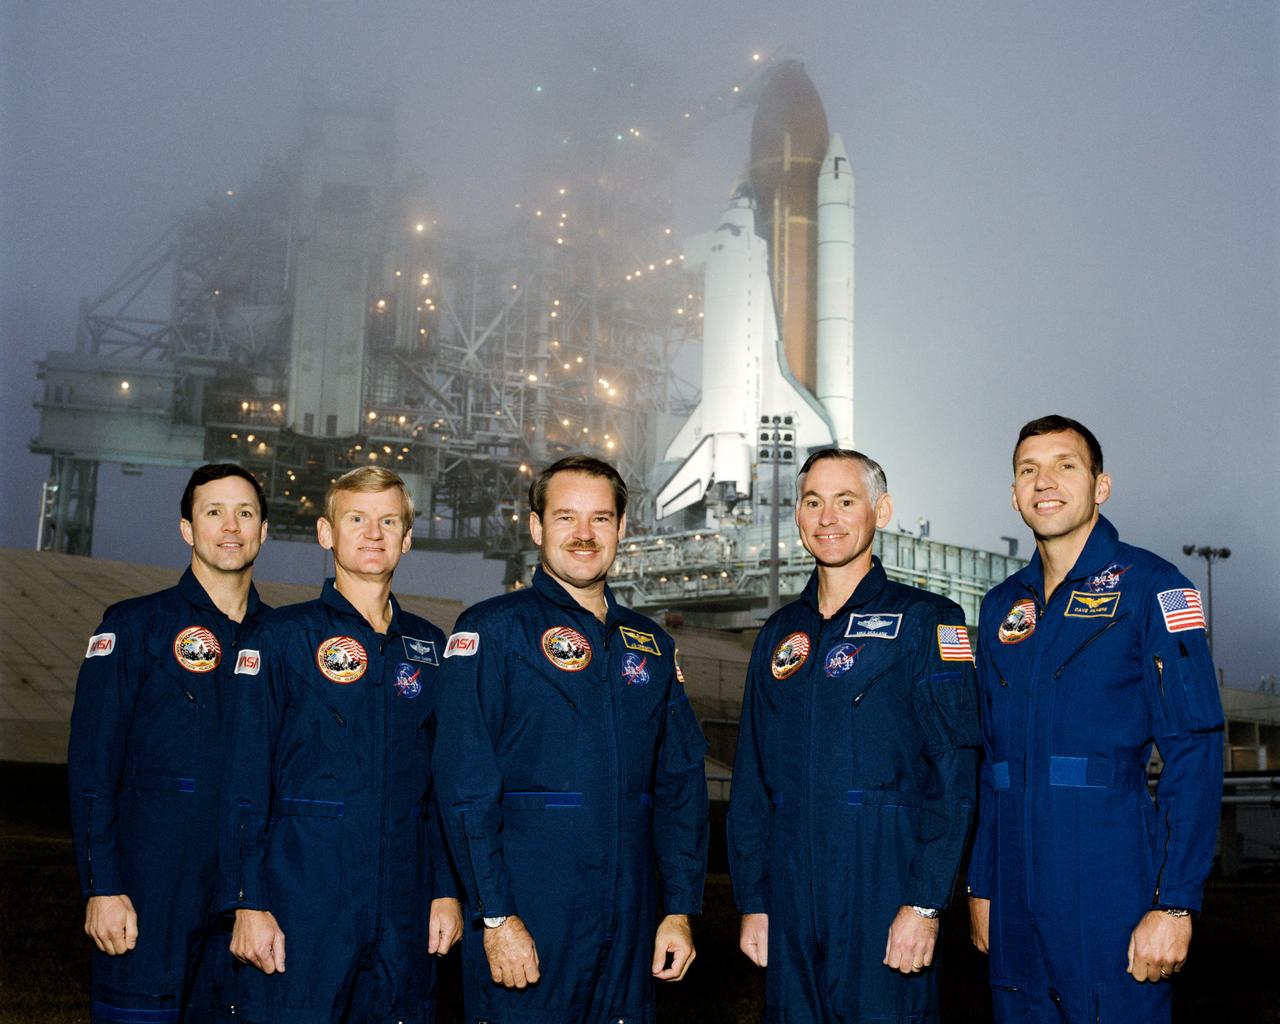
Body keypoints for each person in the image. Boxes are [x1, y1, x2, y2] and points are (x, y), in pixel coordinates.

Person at [432, 454, 709, 1023]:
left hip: (630, 921)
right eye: (565, 518)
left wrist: (679, 908)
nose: (584, 535)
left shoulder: (650, 645)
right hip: (530, 914)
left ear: (622, 528)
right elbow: (465, 783)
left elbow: (680, 783)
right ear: (535, 527)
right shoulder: (492, 629)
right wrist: (496, 915)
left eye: (600, 519)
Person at [967, 415, 1223, 1022]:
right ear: (1013, 494)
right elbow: (989, 759)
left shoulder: (1155, 588)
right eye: (1029, 470)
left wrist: (1177, 903)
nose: (1045, 481)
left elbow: (1196, 749)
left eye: (1065, 465)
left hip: (1112, 890)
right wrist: (981, 884)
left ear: (1100, 486)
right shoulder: (1001, 606)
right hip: (1014, 899)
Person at [726, 448, 981, 1023]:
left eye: (846, 502)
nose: (827, 518)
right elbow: (751, 780)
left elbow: (955, 774)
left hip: (884, 883)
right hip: (790, 893)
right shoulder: (779, 634)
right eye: (813, 502)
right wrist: (754, 901)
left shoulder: (927, 621)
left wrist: (925, 902)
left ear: (881, 511)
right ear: (797, 514)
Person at [220, 466, 461, 1023]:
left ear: (407, 538)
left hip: (403, 907)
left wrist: (445, 892)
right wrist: (247, 901)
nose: (372, 533)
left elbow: (443, 786)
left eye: (388, 521)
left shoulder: (429, 647)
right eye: (356, 519)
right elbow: (243, 782)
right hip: (302, 900)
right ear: (326, 534)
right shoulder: (280, 638)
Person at [69, 463, 270, 1024]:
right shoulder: (135, 627)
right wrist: (101, 886)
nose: (231, 526)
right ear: (187, 529)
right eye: (214, 512)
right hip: (149, 894)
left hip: (245, 905)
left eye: (245, 513)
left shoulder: (282, 641)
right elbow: (93, 767)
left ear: (263, 530)